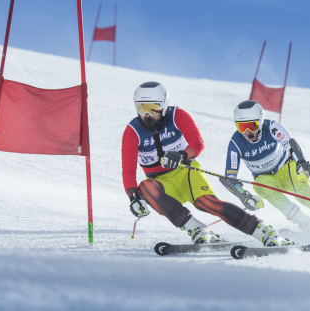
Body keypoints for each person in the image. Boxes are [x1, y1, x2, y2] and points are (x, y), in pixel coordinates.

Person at [121, 82, 293, 246]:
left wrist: (182, 155)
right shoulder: (133, 131)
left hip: (186, 173)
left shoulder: (177, 116)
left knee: (207, 203)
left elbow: (197, 142)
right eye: (141, 108)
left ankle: (265, 232)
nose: (147, 115)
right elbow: (128, 170)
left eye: (153, 108)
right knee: (144, 187)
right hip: (161, 183)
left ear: (165, 105)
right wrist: (133, 198)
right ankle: (198, 229)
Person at [220, 100, 310, 232]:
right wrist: (243, 195)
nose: (247, 133)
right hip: (264, 177)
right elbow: (229, 179)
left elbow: (290, 143)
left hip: (287, 169)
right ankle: (306, 224)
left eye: (252, 126)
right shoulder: (236, 142)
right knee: (261, 187)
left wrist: (301, 162)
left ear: (260, 121)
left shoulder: (272, 127)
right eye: (242, 127)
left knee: (306, 197)